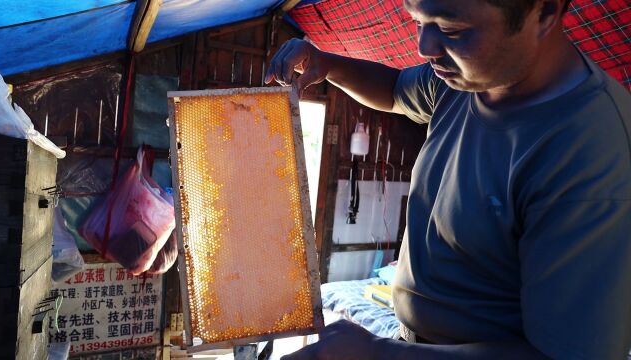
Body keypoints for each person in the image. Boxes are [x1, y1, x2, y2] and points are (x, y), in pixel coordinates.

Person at [266, 0, 631, 358]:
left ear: (546, 12)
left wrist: (379, 354)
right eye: (417, 21)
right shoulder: (464, 79)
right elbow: (395, 90)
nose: (424, 47)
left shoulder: (589, 149)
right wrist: (328, 64)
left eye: (451, 29)